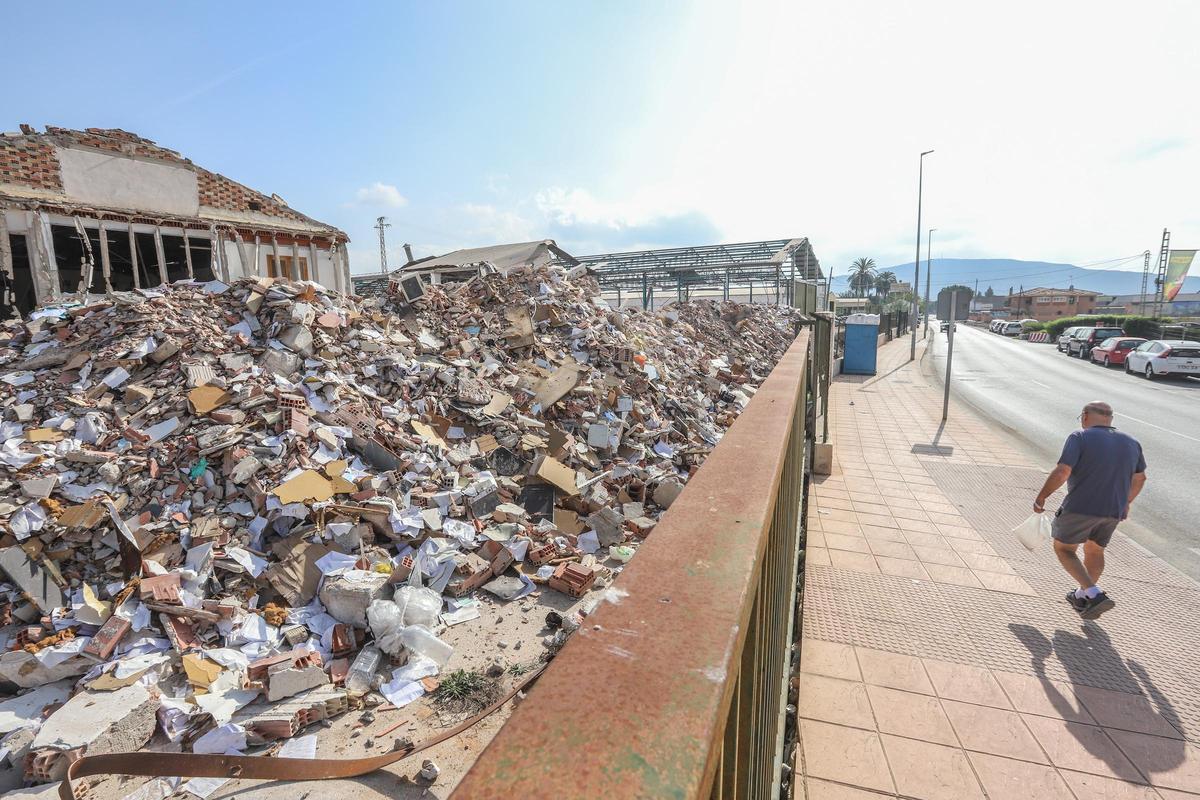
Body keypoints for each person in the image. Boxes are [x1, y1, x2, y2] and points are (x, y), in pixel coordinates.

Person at [1033, 401, 1146, 620]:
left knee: (1064, 549)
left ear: (1085, 416)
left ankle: (1094, 594)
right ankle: (1081, 596)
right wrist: (1126, 502)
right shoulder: (1132, 442)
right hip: (1113, 510)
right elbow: (1140, 478)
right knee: (1095, 550)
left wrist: (1042, 496)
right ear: (1110, 419)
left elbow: (1063, 471)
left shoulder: (1080, 437)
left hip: (1081, 507)